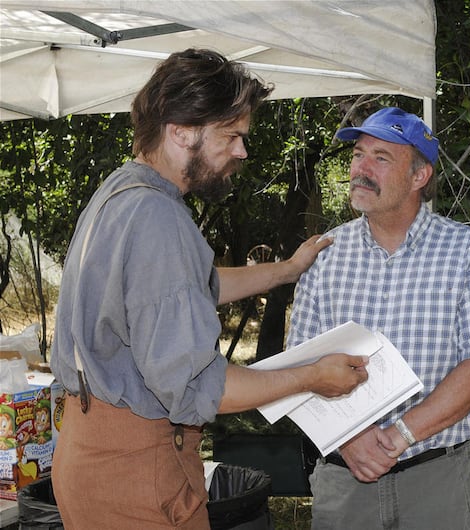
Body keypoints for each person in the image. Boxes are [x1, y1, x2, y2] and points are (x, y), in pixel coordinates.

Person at [49, 48, 369, 529]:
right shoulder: (158, 219)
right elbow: (203, 387)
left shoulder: (121, 193)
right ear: (181, 130)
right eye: (232, 135)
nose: (241, 151)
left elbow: (194, 288)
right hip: (136, 470)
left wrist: (286, 269)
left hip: (87, 455)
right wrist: (311, 377)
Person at [286, 106, 470, 529]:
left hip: (436, 479)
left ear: (419, 177)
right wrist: (350, 437)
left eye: (381, 157)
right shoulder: (324, 255)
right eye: (358, 154)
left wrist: (398, 436)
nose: (361, 168)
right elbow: (298, 367)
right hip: (345, 478)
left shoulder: (466, 251)